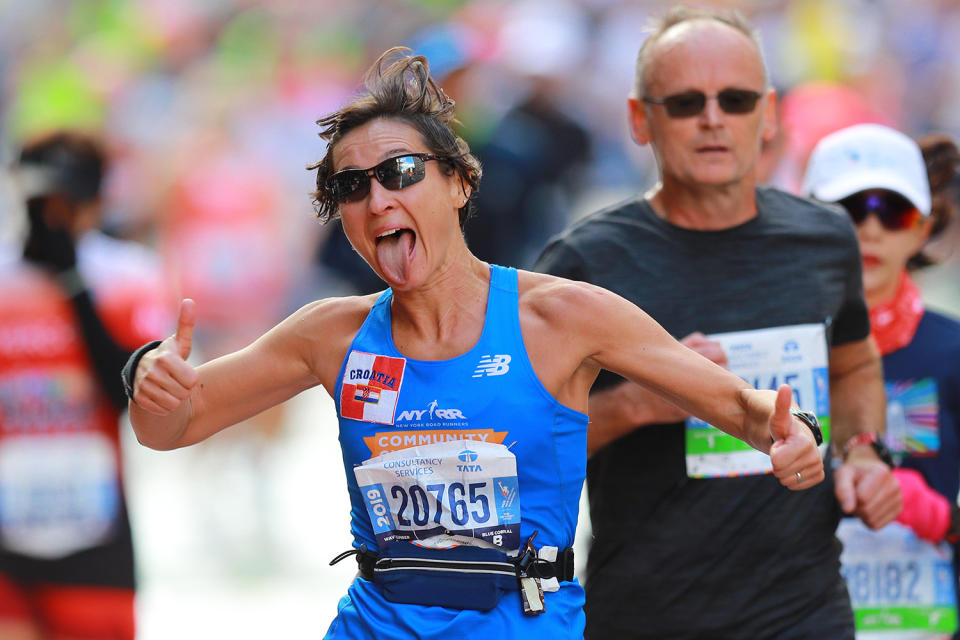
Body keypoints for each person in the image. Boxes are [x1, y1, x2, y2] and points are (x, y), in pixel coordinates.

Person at [125, 48, 825, 639]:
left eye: (401, 173)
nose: (378, 200)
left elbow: (743, 407)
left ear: (458, 183)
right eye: (352, 186)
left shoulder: (561, 316)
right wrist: (151, 381)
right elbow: (172, 427)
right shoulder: (330, 334)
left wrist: (793, 433)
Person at [534, 7, 900, 640]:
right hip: (646, 616)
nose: (712, 119)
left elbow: (856, 361)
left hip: (805, 611)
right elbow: (518, 449)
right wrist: (639, 405)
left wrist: (864, 450)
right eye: (684, 102)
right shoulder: (581, 266)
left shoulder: (824, 238)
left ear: (769, 113)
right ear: (639, 118)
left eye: (735, 99)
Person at [0, 131, 171, 639]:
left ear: (94, 202)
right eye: (38, 200)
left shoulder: (130, 274)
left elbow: (135, 399)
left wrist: (72, 282)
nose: (50, 214)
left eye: (63, 201)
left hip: (95, 534)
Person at [804, 124, 960, 639]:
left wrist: (941, 515)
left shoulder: (953, 350)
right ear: (805, 223)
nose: (871, 229)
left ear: (922, 228)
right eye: (849, 209)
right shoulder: (776, 352)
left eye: (893, 212)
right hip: (796, 618)